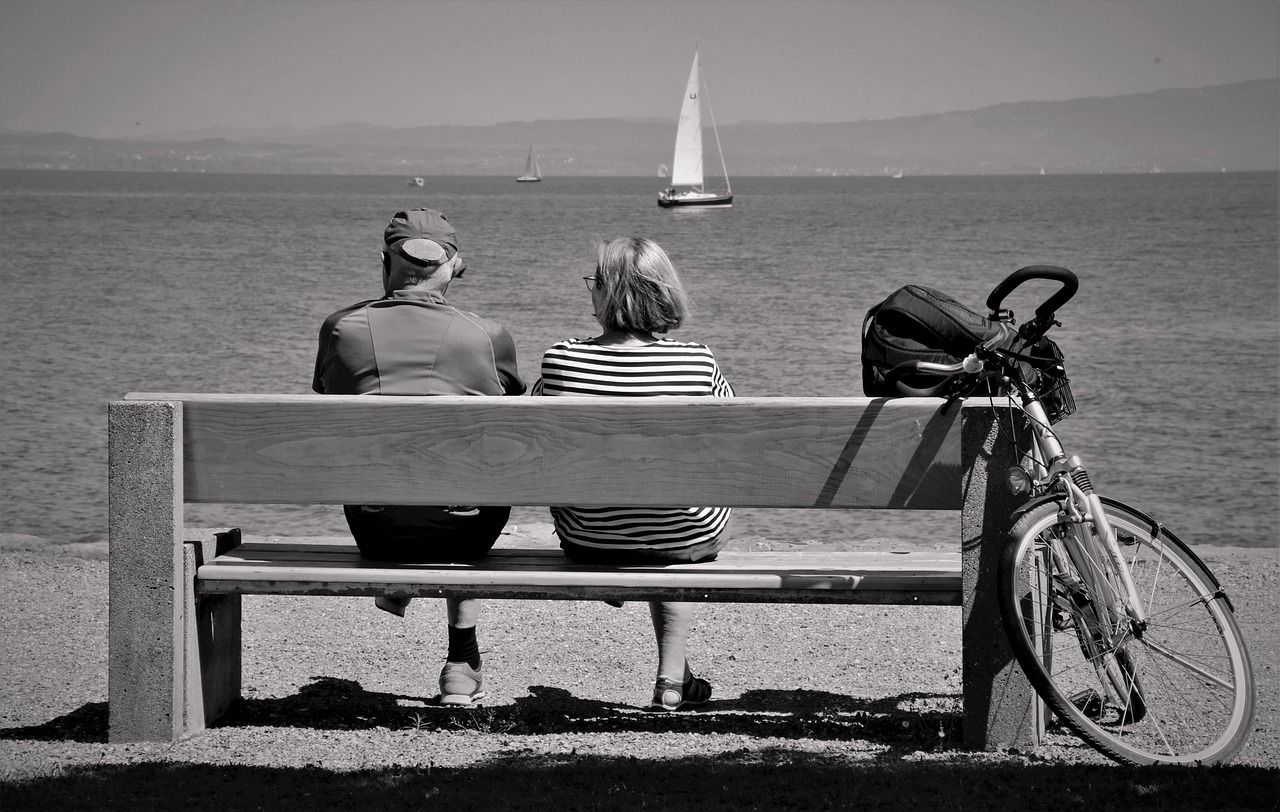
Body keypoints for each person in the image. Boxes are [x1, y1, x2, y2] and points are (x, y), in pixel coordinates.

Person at [313, 207, 526, 706]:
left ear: (383, 262)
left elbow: (327, 394)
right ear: (453, 267)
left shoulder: (342, 328)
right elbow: (511, 408)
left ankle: (398, 583)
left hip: (375, 527)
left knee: (405, 473)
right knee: (473, 474)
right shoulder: (487, 335)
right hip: (466, 531)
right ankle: (460, 663)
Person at [533, 236, 733, 712]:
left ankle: (671, 666)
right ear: (663, 291)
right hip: (685, 534)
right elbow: (728, 441)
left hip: (591, 535)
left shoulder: (561, 359)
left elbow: (537, 439)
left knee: (635, 500)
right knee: (673, 502)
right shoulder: (696, 362)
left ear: (607, 293)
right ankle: (672, 676)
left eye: (594, 282)